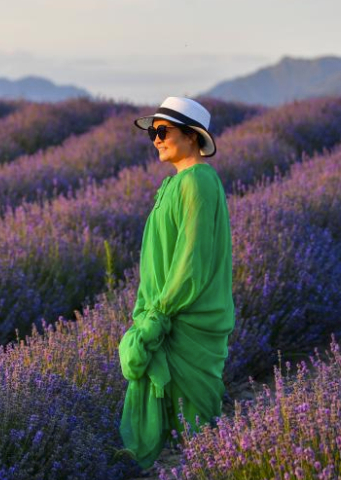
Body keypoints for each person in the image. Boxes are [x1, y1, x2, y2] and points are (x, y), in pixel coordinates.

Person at [115, 97, 235, 470]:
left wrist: (161, 313)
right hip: (166, 313)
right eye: (153, 132)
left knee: (197, 424)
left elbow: (191, 258)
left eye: (163, 131)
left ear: (191, 135)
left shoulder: (198, 180)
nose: (155, 139)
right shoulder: (177, 182)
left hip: (185, 317)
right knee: (185, 426)